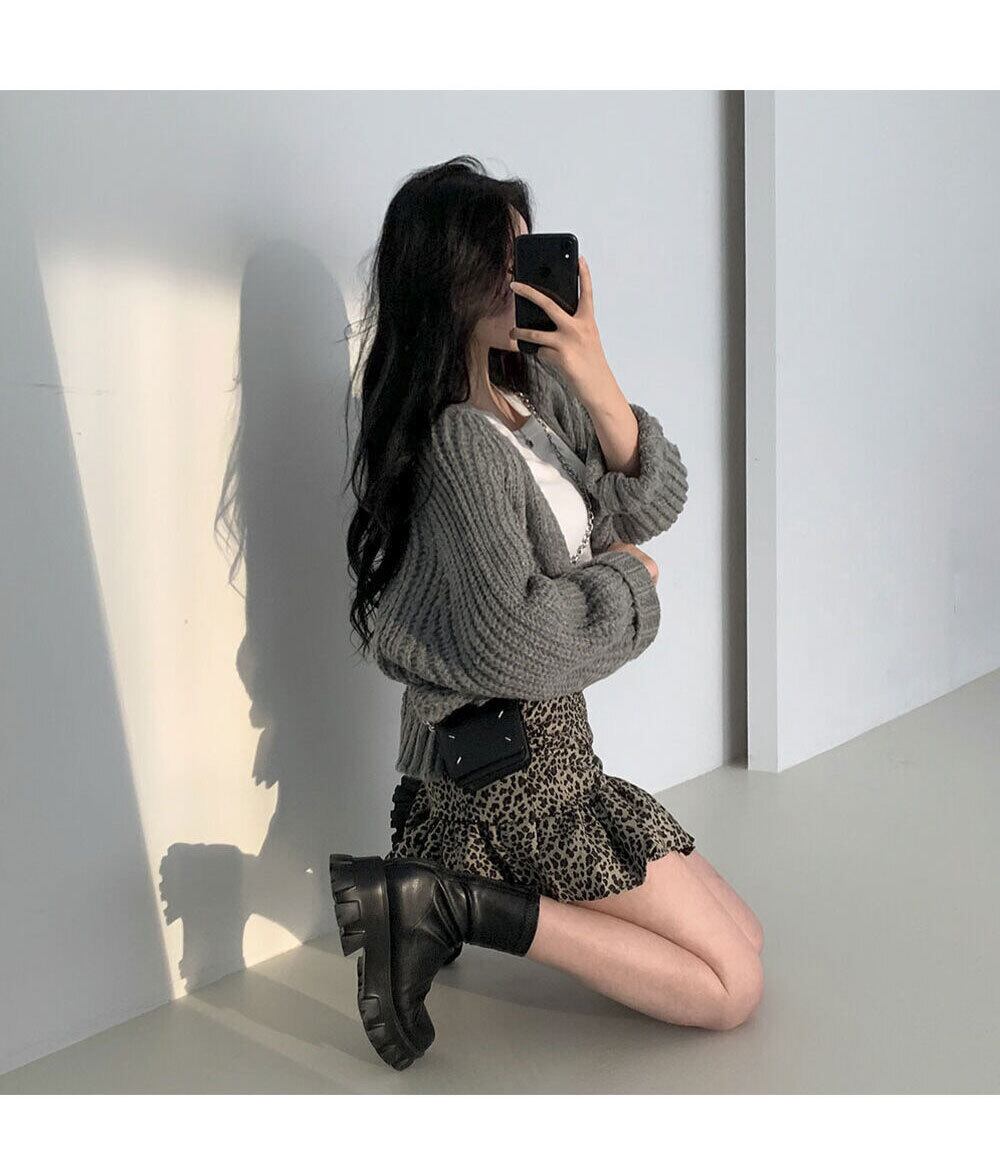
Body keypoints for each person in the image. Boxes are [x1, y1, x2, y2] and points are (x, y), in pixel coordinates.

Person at [333, 155, 764, 1071]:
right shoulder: (457, 441)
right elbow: (519, 640)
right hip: (509, 774)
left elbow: (651, 504)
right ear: (442, 278)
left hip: (562, 757)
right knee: (732, 989)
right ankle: (454, 901)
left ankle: (444, 888)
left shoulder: (534, 394)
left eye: (525, 253)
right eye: (495, 259)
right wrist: (628, 583)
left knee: (746, 940)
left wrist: (593, 366)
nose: (519, 277)